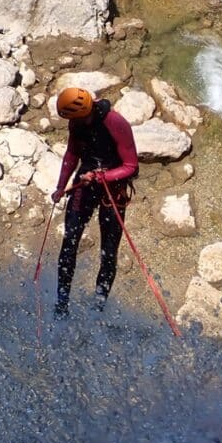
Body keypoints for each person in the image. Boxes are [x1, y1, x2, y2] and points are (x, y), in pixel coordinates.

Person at [51, 87, 138, 317]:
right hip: (87, 182)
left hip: (113, 188)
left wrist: (104, 177)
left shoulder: (116, 123)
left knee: (108, 252)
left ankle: (98, 305)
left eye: (72, 118)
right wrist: (61, 186)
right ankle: (61, 303)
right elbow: (72, 154)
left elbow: (131, 166)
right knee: (69, 241)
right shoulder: (77, 123)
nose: (71, 123)